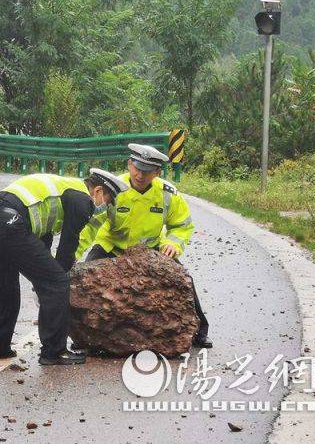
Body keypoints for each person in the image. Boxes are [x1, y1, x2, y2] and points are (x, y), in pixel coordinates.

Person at [0, 169, 129, 365]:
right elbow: (68, 246)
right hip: (11, 225)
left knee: (7, 285)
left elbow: (43, 238)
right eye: (107, 200)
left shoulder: (63, 188)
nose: (105, 206)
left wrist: (42, 278)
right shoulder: (83, 200)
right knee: (57, 283)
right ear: (98, 191)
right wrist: (52, 284)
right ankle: (54, 352)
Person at [77, 144, 213, 348]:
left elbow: (182, 225)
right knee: (84, 281)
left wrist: (172, 244)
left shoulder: (168, 194)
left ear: (157, 172)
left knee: (183, 279)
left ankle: (200, 331)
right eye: (137, 168)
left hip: (152, 250)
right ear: (129, 164)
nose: (140, 175)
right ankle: (82, 338)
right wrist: (73, 254)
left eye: (147, 171)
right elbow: (91, 225)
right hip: (111, 246)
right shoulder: (113, 188)